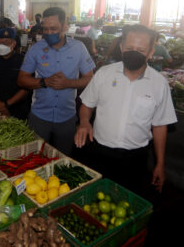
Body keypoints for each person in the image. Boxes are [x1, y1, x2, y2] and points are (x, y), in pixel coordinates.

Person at [74, 25, 177, 194]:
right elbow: (87, 105)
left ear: (151, 52)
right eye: (129, 48)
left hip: (135, 159)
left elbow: (159, 126)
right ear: (121, 48)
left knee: (127, 202)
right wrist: (84, 122)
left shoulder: (159, 84)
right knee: (94, 199)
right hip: (99, 153)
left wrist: (160, 163)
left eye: (141, 49)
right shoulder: (104, 74)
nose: (134, 52)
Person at [18, 7, 95, 155]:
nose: (48, 33)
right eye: (45, 29)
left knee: (63, 158)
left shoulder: (78, 48)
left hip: (67, 117)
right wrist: (43, 82)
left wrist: (68, 83)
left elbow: (90, 79)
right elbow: (21, 80)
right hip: (39, 116)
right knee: (35, 156)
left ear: (65, 26)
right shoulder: (36, 49)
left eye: (53, 28)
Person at [0, 28, 31, 119]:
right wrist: (0, 106)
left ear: (14, 44)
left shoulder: (23, 61)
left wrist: (6, 104)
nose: (2, 46)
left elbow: (25, 89)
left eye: (6, 42)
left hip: (18, 108)